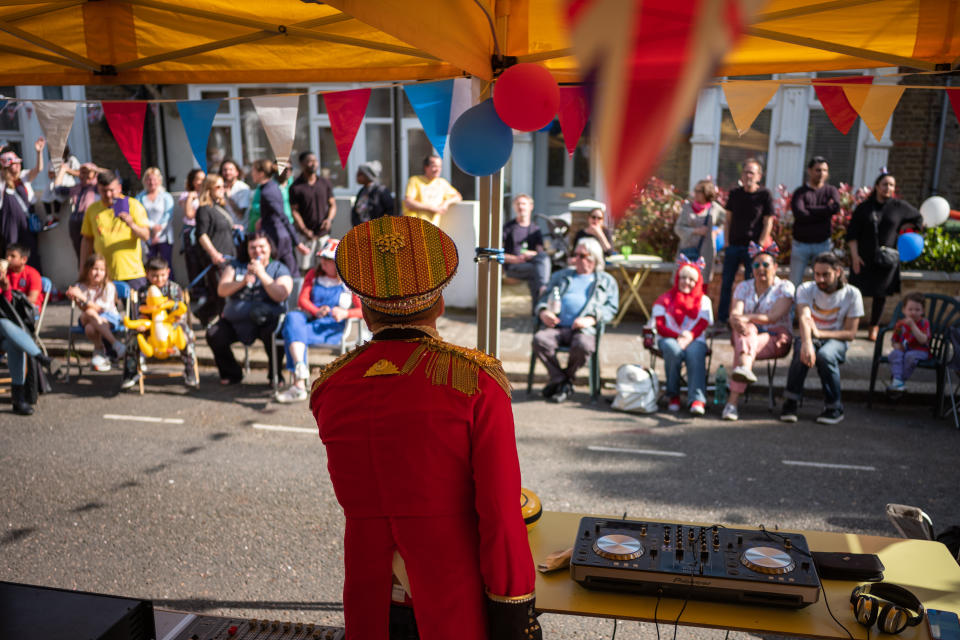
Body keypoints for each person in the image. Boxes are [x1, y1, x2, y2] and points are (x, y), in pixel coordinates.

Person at [309, 215, 539, 640]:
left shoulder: (330, 386)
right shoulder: (475, 382)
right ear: (439, 304)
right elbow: (500, 513)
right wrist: (515, 607)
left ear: (365, 307)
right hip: (451, 595)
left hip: (368, 595)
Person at [780, 251, 863, 425]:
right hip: (809, 335)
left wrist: (820, 334)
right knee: (800, 351)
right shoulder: (805, 289)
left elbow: (850, 333)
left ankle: (834, 407)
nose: (820, 279)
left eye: (826, 274)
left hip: (836, 340)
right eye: (817, 274)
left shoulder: (852, 294)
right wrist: (808, 343)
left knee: (826, 356)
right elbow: (803, 316)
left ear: (838, 272)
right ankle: (791, 402)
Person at [275, 238, 361, 404]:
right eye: (322, 257)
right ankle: (300, 366)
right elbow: (302, 300)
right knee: (292, 317)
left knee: (290, 332)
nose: (323, 262)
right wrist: (316, 310)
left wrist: (345, 313)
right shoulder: (313, 275)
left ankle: (298, 385)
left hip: (331, 329)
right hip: (311, 321)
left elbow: (363, 312)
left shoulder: (349, 282)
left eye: (328, 259)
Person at [533, 236, 619, 403]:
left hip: (583, 330)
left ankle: (562, 381)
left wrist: (592, 319)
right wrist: (543, 312)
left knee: (584, 345)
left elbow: (611, 308)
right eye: (575, 254)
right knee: (539, 340)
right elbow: (543, 299)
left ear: (593, 259)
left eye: (582, 255)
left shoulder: (607, 281)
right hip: (557, 327)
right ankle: (563, 381)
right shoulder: (561, 276)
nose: (575, 259)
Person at [206, 232, 292, 385]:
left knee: (276, 333)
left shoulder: (280, 268)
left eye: (261, 246)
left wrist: (262, 274)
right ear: (247, 249)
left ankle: (275, 374)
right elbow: (222, 290)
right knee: (214, 333)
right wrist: (243, 282)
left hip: (265, 322)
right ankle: (232, 373)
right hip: (235, 322)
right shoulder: (236, 266)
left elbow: (281, 294)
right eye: (253, 247)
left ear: (269, 248)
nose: (257, 251)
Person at [721, 242, 794, 421]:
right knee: (745, 332)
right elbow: (736, 314)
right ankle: (744, 368)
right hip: (746, 333)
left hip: (777, 337)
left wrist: (744, 317)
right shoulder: (743, 287)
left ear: (775, 267)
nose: (761, 268)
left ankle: (732, 403)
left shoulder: (785, 287)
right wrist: (737, 320)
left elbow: (773, 317)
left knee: (744, 341)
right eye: (756, 265)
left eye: (766, 265)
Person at [847, 171, 923, 342]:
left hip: (887, 260)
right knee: (855, 294)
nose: (888, 188)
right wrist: (854, 257)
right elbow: (852, 234)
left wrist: (903, 228)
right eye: (884, 184)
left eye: (891, 185)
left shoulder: (899, 207)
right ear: (876, 186)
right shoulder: (864, 207)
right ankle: (851, 326)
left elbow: (918, 219)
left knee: (880, 296)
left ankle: (874, 328)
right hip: (863, 258)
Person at [120, 256, 198, 390]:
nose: (159, 279)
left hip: (171, 326)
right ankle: (131, 372)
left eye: (162, 275)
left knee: (186, 336)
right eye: (155, 276)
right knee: (132, 338)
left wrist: (177, 317)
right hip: (149, 327)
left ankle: (190, 370)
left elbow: (180, 311)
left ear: (168, 272)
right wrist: (141, 323)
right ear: (147, 274)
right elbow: (139, 312)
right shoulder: (142, 292)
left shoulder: (175, 289)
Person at [651, 257, 714, 415]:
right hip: (669, 338)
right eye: (683, 278)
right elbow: (659, 326)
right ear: (677, 279)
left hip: (694, 338)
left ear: (697, 282)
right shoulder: (664, 299)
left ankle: (697, 399)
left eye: (691, 279)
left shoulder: (704, 301)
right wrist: (679, 336)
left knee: (695, 353)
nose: (686, 282)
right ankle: (673, 396)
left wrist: (689, 337)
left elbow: (702, 323)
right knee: (674, 351)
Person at [718, 158, 774, 324]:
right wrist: (727, 241)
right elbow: (728, 219)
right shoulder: (735, 194)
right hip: (734, 245)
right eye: (745, 172)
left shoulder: (765, 195)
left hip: (753, 248)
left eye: (751, 172)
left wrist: (761, 245)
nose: (748, 175)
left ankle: (748, 319)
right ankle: (722, 319)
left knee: (752, 284)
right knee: (726, 283)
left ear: (759, 176)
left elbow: (768, 221)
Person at [80, 170, 150, 291]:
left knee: (136, 309)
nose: (108, 195)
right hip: (103, 274)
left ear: (119, 188)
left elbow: (145, 236)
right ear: (98, 189)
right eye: (104, 191)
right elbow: (87, 240)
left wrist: (131, 224)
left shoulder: (132, 205)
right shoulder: (93, 209)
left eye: (111, 190)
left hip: (131, 273)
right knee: (106, 310)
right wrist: (83, 270)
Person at [65, 253, 126, 372]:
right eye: (95, 269)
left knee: (89, 328)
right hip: (91, 318)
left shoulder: (108, 286)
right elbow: (83, 308)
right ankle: (115, 344)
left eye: (102, 270)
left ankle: (99, 350)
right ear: (87, 270)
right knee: (89, 313)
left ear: (106, 272)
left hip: (108, 317)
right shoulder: (80, 286)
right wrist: (74, 298)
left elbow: (100, 309)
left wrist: (82, 298)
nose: (98, 273)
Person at [789, 156, 841, 290]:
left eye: (824, 170)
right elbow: (800, 214)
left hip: (822, 244)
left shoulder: (831, 191)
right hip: (800, 245)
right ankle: (794, 311)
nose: (821, 173)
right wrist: (825, 211)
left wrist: (810, 209)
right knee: (794, 284)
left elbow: (835, 208)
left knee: (822, 284)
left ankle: (816, 311)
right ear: (810, 171)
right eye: (818, 170)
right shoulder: (800, 192)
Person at [249, 159, 307, 275]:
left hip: (278, 237)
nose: (252, 174)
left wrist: (297, 242)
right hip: (276, 234)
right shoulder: (270, 187)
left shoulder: (268, 191)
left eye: (254, 171)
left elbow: (282, 216)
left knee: (290, 272)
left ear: (261, 173)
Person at [194, 174, 237, 326]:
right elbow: (202, 234)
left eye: (223, 186)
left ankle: (203, 314)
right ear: (209, 189)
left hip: (229, 255)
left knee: (222, 291)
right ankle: (225, 324)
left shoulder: (221, 206)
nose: (222, 189)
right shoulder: (204, 210)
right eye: (218, 187)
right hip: (217, 258)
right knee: (221, 292)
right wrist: (213, 254)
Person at [289, 150, 336, 272]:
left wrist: (329, 220)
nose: (313, 164)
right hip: (305, 236)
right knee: (305, 270)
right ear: (302, 164)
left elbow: (332, 205)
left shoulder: (324, 183)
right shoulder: (295, 187)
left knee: (324, 268)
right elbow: (294, 211)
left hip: (322, 234)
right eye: (309, 161)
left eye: (315, 161)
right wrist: (304, 229)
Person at [503, 193, 551, 310]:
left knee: (540, 264)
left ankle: (538, 308)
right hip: (513, 267)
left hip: (529, 265)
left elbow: (540, 253)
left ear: (531, 206)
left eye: (524, 204)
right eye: (518, 204)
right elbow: (497, 252)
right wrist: (515, 259)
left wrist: (531, 254)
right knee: (539, 272)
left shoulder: (535, 229)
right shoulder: (508, 227)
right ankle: (541, 303)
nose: (521, 207)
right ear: (514, 207)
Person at [674, 180, 725, 283]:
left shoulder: (715, 209)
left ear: (706, 193)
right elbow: (678, 228)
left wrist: (717, 232)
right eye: (695, 190)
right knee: (683, 281)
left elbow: (727, 221)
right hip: (687, 251)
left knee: (701, 282)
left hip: (706, 253)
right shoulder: (687, 208)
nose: (695, 193)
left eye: (699, 191)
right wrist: (695, 231)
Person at [0, 145, 42, 270]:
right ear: (6, 166)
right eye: (14, 163)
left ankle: (33, 278)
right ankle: (11, 281)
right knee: (11, 251)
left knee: (30, 252)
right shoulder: (2, 182)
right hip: (9, 224)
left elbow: (38, 169)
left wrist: (39, 153)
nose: (18, 166)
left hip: (25, 224)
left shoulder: (23, 177)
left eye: (18, 163)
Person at [52, 161, 101, 264]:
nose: (85, 175)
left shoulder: (98, 188)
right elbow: (56, 189)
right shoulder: (76, 188)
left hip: (92, 220)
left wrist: (94, 170)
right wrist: (63, 170)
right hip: (76, 221)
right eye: (82, 172)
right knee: (81, 254)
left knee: (95, 252)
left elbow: (110, 176)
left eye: (88, 172)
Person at [886, 292, 931, 393]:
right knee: (894, 354)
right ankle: (897, 380)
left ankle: (899, 381)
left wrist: (913, 326)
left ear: (923, 311)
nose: (913, 312)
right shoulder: (900, 324)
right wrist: (896, 345)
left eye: (917, 310)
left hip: (920, 351)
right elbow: (895, 340)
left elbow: (923, 340)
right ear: (904, 310)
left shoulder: (924, 323)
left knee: (910, 357)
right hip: (904, 350)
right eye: (910, 309)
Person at [402, 153, 461, 226]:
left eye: (440, 167)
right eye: (434, 166)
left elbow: (458, 197)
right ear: (426, 167)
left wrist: (446, 203)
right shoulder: (415, 180)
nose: (438, 170)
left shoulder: (442, 183)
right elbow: (408, 203)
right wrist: (432, 208)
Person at [136, 167, 176, 273]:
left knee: (166, 264)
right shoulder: (140, 197)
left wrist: (157, 232)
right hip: (147, 236)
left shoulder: (166, 196)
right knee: (150, 265)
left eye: (154, 179)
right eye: (149, 179)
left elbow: (168, 215)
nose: (152, 182)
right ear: (145, 181)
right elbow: (138, 214)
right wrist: (151, 226)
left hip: (164, 236)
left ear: (159, 180)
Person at [179, 168, 206, 293]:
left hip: (205, 231)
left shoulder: (207, 194)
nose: (200, 182)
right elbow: (189, 214)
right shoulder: (186, 195)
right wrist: (190, 198)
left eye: (202, 179)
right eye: (197, 179)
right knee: (193, 262)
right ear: (192, 181)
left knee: (204, 261)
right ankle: (197, 291)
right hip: (191, 232)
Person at [350, 160, 394, 226]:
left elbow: (390, 212)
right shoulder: (362, 191)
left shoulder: (382, 191)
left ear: (368, 176)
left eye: (360, 174)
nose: (357, 175)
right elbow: (356, 212)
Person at [220, 159, 251, 227]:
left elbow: (240, 214)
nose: (227, 172)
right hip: (225, 231)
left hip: (240, 231)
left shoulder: (243, 188)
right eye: (225, 170)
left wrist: (229, 198)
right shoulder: (220, 187)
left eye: (231, 170)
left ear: (237, 172)